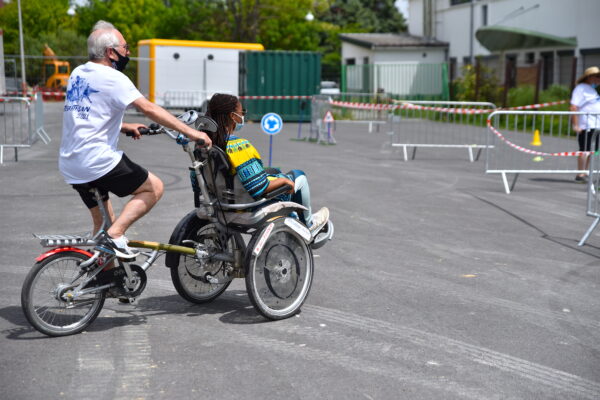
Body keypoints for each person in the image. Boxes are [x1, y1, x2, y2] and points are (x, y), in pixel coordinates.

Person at [59, 20, 212, 259]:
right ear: (111, 52)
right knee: (154, 188)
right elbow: (148, 108)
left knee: (102, 228)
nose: (128, 53)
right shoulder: (113, 77)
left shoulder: (79, 73)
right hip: (97, 161)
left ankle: (105, 280)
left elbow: (87, 115)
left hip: (72, 163)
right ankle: (116, 235)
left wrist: (123, 126)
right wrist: (192, 133)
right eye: (125, 47)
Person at [202, 93, 329, 236]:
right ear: (233, 117)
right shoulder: (238, 146)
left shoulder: (203, 146)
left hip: (220, 202)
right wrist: (283, 180)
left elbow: (197, 183)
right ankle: (309, 225)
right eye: (241, 112)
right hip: (247, 206)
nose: (243, 116)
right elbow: (258, 188)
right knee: (299, 176)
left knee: (273, 170)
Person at [571, 66, 600, 183]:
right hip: (587, 125)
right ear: (590, 77)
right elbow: (574, 106)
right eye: (597, 76)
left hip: (596, 125)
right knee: (585, 149)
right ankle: (580, 173)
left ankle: (585, 172)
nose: (599, 79)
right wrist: (575, 124)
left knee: (591, 150)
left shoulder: (592, 90)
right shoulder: (580, 89)